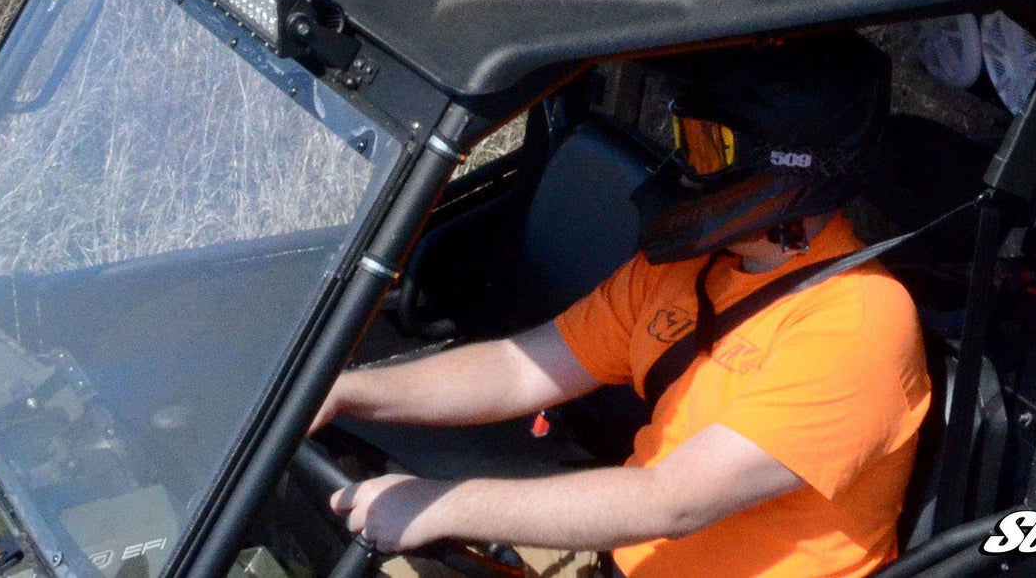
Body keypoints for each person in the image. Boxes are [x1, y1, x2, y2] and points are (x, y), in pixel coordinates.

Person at [313, 34, 932, 578]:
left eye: (710, 147)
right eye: (684, 138)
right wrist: (343, 391)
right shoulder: (693, 269)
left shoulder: (856, 327)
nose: (686, 168)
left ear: (790, 170)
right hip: (625, 559)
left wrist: (443, 504)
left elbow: (671, 502)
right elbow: (521, 368)